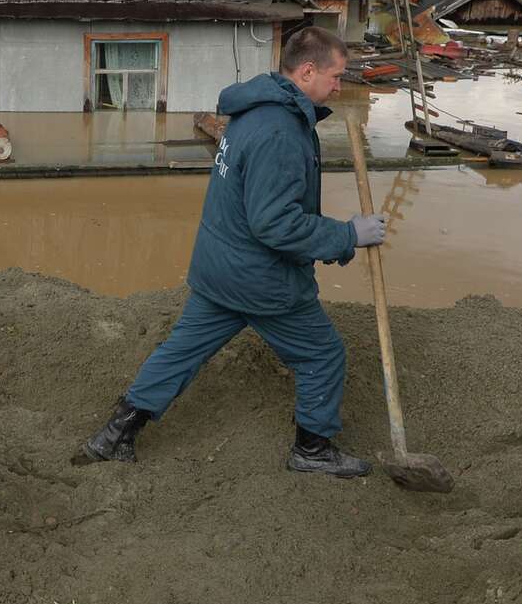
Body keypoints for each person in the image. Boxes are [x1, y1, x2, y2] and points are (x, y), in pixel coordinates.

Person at [76, 24, 386, 476]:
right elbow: (274, 223)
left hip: (220, 265)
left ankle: (114, 435)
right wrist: (347, 235)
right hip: (261, 277)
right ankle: (313, 450)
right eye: (336, 77)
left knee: (181, 350)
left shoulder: (253, 110)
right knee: (322, 353)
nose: (340, 88)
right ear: (306, 71)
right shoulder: (280, 130)